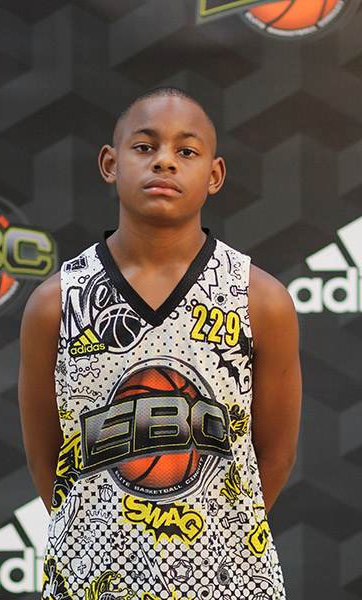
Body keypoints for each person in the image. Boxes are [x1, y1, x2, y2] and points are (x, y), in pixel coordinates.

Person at [19, 87, 301, 600]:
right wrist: (99, 542)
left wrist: (221, 541)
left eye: (186, 151)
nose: (165, 161)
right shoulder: (55, 303)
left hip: (229, 583)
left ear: (214, 175)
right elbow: (46, 460)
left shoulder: (260, 299)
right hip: (92, 580)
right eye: (145, 146)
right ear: (110, 163)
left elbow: (276, 455)